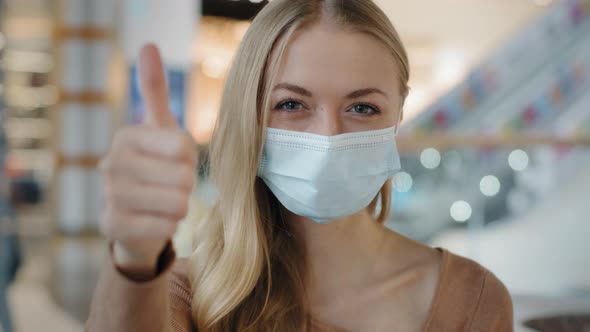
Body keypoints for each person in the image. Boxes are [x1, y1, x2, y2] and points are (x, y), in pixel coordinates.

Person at [87, 0, 514, 331]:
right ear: (250, 114)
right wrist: (133, 255)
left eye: (362, 107)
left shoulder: (471, 299)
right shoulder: (191, 294)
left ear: (398, 114)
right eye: (291, 104)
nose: (328, 137)